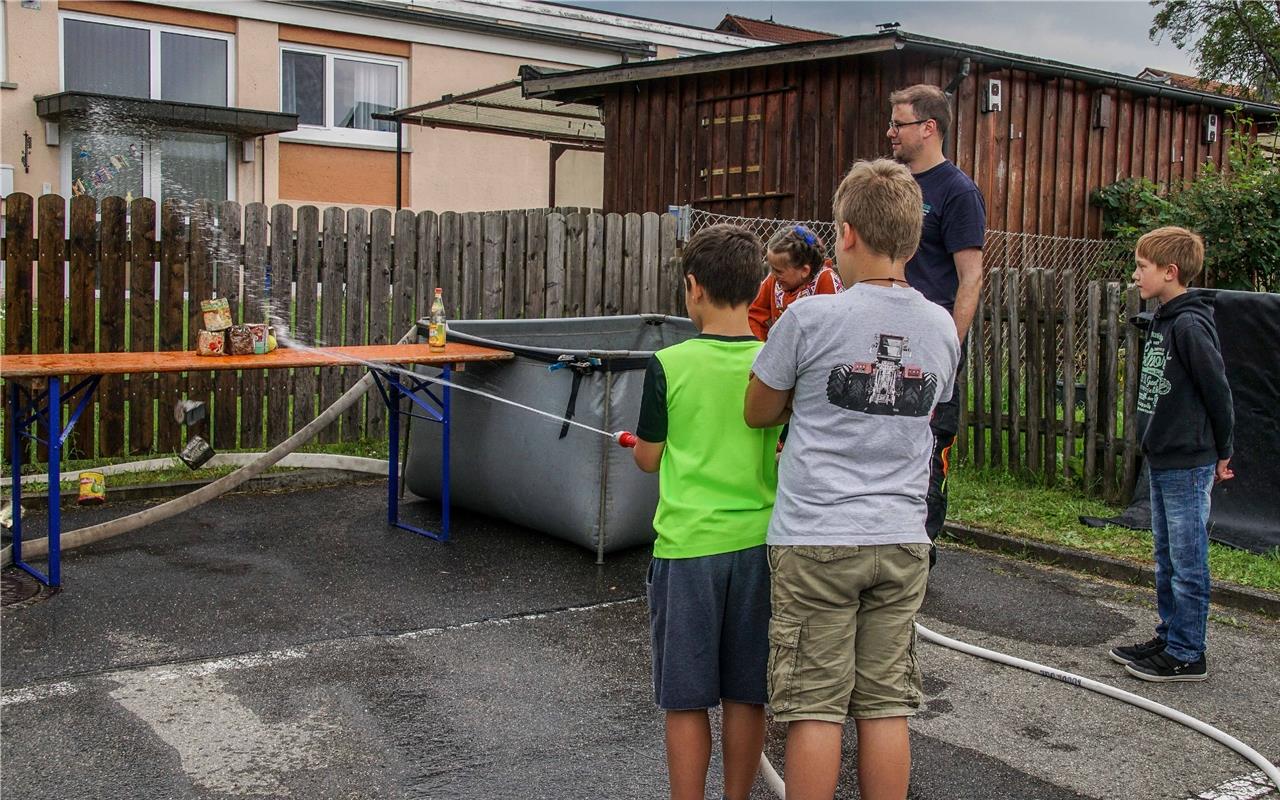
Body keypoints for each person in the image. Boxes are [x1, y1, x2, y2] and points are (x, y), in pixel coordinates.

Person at [745, 159, 961, 800]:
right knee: (885, 704)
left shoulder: (811, 319)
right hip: (901, 534)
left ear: (845, 234)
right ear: (915, 239)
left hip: (816, 536)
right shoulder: (941, 325)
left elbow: (758, 409)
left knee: (815, 706)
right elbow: (923, 404)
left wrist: (801, 400)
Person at [632, 224, 783, 800]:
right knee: (747, 693)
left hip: (689, 550)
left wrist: (645, 443)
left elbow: (647, 459)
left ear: (693, 287)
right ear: (756, 287)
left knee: (686, 697)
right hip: (758, 547)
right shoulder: (773, 363)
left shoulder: (667, 364)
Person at [1108, 226, 1234, 683]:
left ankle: (1187, 651)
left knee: (1187, 558)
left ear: (1170, 271)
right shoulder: (1163, 319)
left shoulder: (1190, 324)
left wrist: (1224, 451)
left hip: (1188, 461)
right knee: (1166, 556)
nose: (1136, 275)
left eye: (1142, 267)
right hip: (1162, 458)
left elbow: (1218, 391)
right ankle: (1169, 634)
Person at [888, 83, 986, 562]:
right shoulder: (896, 183)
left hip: (929, 347)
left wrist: (949, 347)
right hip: (885, 339)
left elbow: (970, 278)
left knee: (928, 453)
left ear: (929, 128)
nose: (891, 132)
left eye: (899, 123)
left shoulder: (957, 192)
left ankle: (917, 556)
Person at [748, 225, 844, 341]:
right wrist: (761, 348)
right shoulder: (774, 281)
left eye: (778, 270)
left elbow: (836, 327)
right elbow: (754, 314)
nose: (772, 274)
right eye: (771, 268)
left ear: (804, 271)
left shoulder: (826, 280)